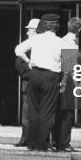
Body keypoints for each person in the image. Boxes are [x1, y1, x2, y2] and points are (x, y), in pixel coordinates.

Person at [15, 14, 65, 151]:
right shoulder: (61, 42)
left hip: (35, 74)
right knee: (47, 111)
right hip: (51, 75)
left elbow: (18, 50)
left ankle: (32, 142)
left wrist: (29, 62)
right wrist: (64, 81)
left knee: (33, 110)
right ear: (56, 26)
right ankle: (42, 143)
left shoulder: (36, 38)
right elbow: (69, 64)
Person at [52, 16, 81, 152]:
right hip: (69, 78)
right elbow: (70, 64)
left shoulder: (63, 40)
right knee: (67, 112)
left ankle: (56, 140)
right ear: (80, 29)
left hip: (61, 76)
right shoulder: (71, 42)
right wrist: (77, 82)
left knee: (60, 110)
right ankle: (64, 142)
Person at [13, 18, 40, 147]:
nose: (27, 32)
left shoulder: (32, 42)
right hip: (40, 79)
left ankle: (27, 138)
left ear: (35, 30)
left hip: (29, 80)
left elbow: (18, 50)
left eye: (29, 30)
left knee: (27, 111)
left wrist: (28, 64)